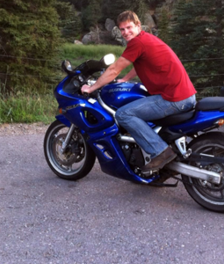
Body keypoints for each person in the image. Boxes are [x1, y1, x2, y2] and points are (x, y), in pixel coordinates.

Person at [81, 11, 196, 174]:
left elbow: (114, 69)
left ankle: (160, 151)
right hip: (183, 95)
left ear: (138, 26)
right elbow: (139, 63)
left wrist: (91, 88)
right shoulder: (146, 39)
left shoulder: (137, 43)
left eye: (129, 27)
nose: (126, 32)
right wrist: (125, 79)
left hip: (174, 99)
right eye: (122, 29)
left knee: (123, 114)